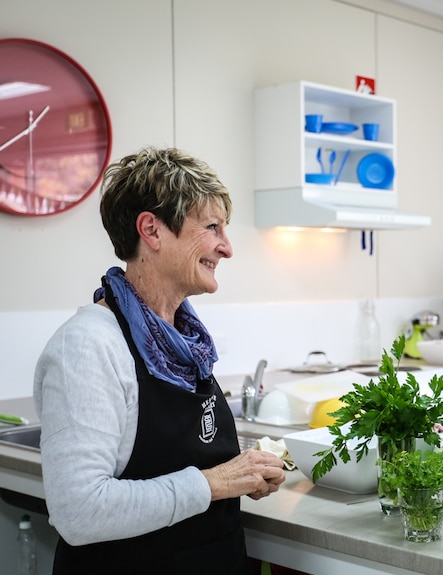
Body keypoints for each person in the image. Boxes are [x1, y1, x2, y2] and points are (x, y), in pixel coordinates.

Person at [34, 147, 286, 574]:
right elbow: (79, 511)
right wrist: (217, 482)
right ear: (151, 229)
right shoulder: (88, 346)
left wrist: (244, 474)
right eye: (212, 227)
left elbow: (188, 461)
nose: (226, 248)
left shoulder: (185, 343)